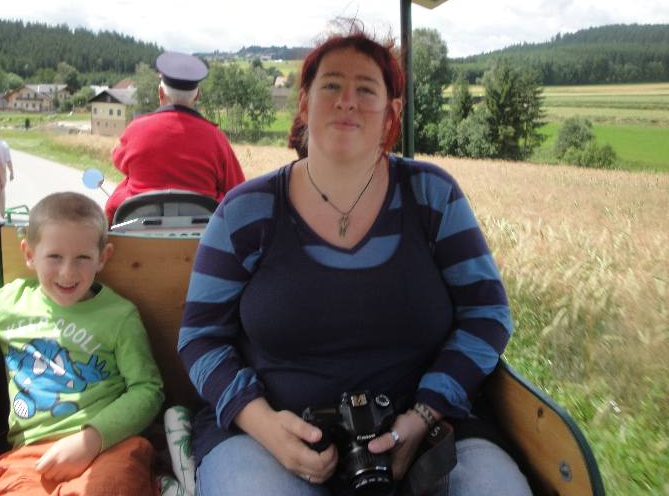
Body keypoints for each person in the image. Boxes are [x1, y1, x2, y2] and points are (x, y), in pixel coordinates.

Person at [177, 30, 532, 495]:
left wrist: (423, 415)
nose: (347, 101)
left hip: (427, 431)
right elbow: (200, 337)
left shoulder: (432, 196)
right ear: (305, 103)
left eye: (366, 89)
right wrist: (264, 424)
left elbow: (487, 315)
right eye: (331, 86)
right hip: (271, 437)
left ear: (391, 113)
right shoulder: (246, 212)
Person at [0, 192, 165, 495]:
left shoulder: (119, 316)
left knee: (111, 486)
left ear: (102, 257)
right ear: (30, 254)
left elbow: (148, 389)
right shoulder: (12, 302)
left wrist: (91, 440)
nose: (68, 272)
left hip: (107, 445)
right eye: (54, 257)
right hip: (31, 455)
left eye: (83, 258)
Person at [104, 52, 245, 225]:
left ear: (160, 93)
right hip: (205, 235)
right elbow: (237, 188)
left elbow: (118, 161)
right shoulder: (216, 138)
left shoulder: (135, 130)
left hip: (137, 228)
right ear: (197, 96)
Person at [0, 129, 14, 220]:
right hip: (1, 171)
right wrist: (11, 172)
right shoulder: (3, 144)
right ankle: (1, 215)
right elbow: (8, 160)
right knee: (1, 193)